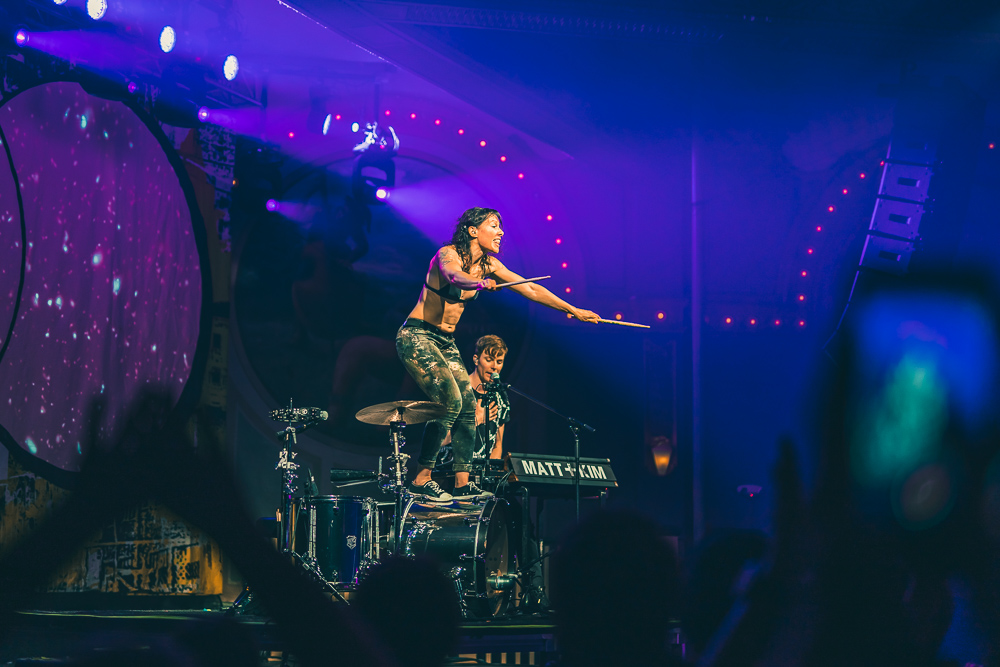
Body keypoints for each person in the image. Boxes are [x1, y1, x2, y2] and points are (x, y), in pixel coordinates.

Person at [396, 207, 600, 503]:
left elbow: (529, 287)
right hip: (417, 335)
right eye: (494, 225)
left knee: (467, 405)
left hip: (445, 340)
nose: (501, 232)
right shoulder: (447, 255)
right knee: (449, 401)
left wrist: (573, 310)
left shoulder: (489, 265)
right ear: (472, 230)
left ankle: (462, 484)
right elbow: (454, 276)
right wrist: (477, 283)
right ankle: (421, 478)